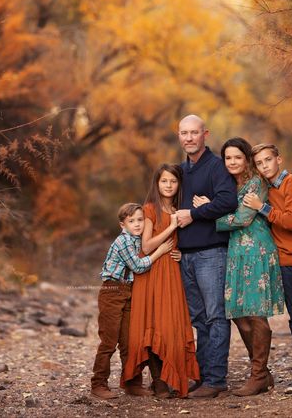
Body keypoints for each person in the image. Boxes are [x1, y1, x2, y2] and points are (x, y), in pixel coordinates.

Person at [194, 137, 285, 396]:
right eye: (228, 158)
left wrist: (207, 214)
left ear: (246, 159)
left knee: (255, 313)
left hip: (256, 250)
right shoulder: (230, 185)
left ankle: (258, 375)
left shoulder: (255, 183)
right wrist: (213, 208)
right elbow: (229, 213)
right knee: (238, 314)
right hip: (236, 251)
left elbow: (243, 219)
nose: (232, 162)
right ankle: (263, 373)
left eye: (237, 157)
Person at [243, 143, 292, 395]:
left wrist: (261, 207)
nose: (265, 165)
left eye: (268, 160)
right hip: (286, 261)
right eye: (259, 162)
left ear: (279, 159)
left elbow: (290, 221)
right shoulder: (264, 190)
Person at [124, 164, 200, 398]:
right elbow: (146, 246)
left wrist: (179, 253)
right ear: (157, 184)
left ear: (179, 184)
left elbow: (182, 241)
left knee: (171, 325)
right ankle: (158, 382)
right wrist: (172, 227)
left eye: (173, 181)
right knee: (153, 323)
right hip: (151, 271)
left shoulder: (180, 209)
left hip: (171, 271)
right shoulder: (150, 209)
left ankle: (172, 376)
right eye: (164, 181)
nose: (168, 185)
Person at [175, 114, 238, 399]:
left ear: (205, 135)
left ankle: (216, 379)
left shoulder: (216, 167)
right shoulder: (179, 171)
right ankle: (200, 377)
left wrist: (195, 213)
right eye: (184, 133)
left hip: (211, 254)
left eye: (194, 133)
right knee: (198, 319)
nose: (189, 138)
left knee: (215, 317)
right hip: (184, 255)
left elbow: (228, 201)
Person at [90, 203, 173, 400]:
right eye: (131, 221)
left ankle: (132, 383)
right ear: (122, 225)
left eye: (140, 220)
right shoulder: (124, 241)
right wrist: (160, 251)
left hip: (129, 292)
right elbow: (138, 266)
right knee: (109, 341)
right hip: (112, 291)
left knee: (129, 342)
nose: (137, 224)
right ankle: (98, 383)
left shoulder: (140, 241)